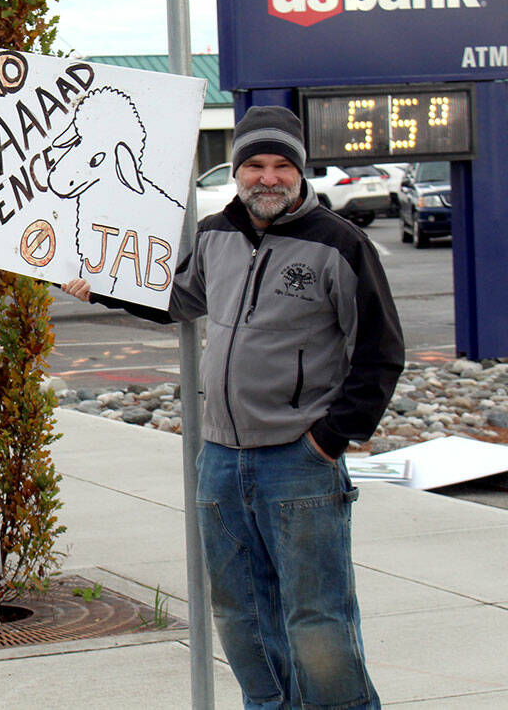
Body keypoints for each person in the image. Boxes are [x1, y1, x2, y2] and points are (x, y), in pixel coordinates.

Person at [63, 105, 403, 708]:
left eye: (280, 166)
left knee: (316, 620)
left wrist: (329, 438)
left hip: (299, 463)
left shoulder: (340, 244)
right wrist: (105, 286)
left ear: (300, 172)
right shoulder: (215, 234)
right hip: (220, 460)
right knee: (239, 616)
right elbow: (178, 300)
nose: (267, 178)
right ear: (237, 172)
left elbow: (379, 353)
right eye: (254, 165)